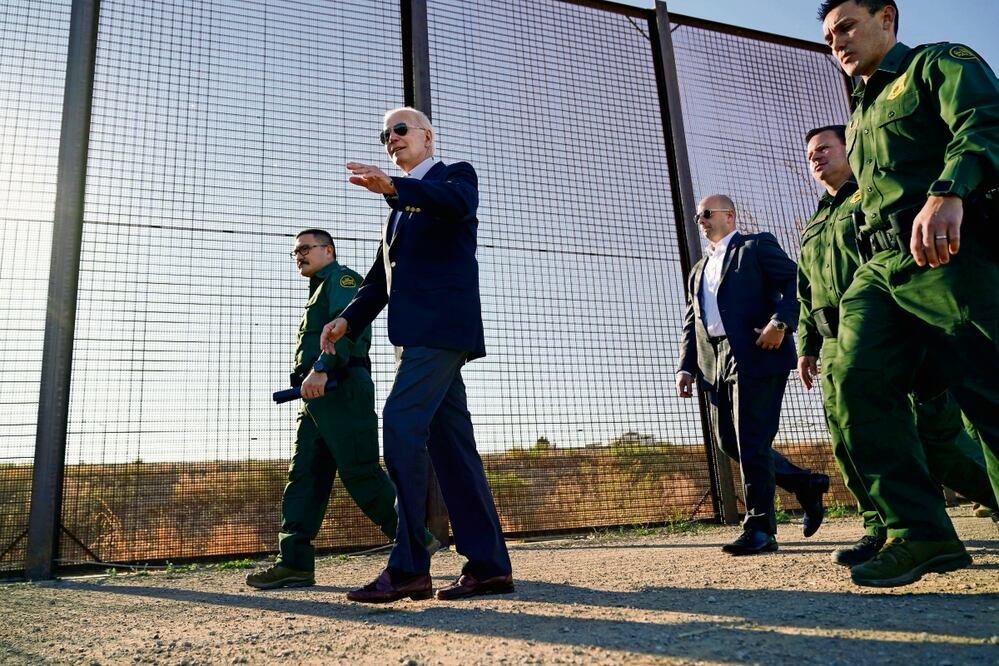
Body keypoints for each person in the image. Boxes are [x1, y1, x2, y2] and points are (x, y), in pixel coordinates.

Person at [819, 0, 999, 587]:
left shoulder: (934, 65)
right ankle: (918, 531)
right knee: (853, 377)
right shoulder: (861, 108)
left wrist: (950, 190)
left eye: (846, 26)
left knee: (987, 389)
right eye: (829, 37)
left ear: (887, 19)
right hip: (883, 267)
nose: (838, 42)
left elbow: (985, 118)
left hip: (948, 252)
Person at [320, 107, 513, 603]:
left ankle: (409, 567)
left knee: (400, 424)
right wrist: (347, 320)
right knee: (454, 449)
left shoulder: (453, 178)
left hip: (442, 332)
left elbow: (454, 203)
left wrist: (393, 189)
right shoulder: (397, 216)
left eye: (400, 130)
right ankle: (489, 565)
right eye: (385, 134)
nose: (391, 139)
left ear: (427, 136)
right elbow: (379, 281)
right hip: (419, 336)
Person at [797, 125, 998, 567]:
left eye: (824, 148)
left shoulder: (870, 201)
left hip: (895, 326)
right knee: (851, 438)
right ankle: (881, 526)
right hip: (838, 337)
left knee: (939, 438)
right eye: (809, 154)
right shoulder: (813, 223)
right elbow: (804, 290)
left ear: (852, 150)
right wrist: (807, 344)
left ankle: (990, 494)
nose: (815, 158)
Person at [246, 229, 435, 590]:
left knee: (360, 472)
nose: (299, 255)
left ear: (328, 251)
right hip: (315, 394)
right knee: (304, 475)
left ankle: (416, 539)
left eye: (305, 248)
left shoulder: (343, 278)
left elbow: (350, 327)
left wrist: (322, 368)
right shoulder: (317, 288)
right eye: (295, 252)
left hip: (339, 384)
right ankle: (294, 563)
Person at [677, 194, 830, 556]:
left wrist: (780, 322)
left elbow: (797, 281)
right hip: (712, 360)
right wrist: (686, 365)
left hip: (758, 351)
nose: (701, 219)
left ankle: (761, 528)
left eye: (707, 213)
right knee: (729, 441)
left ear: (729, 216)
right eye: (698, 214)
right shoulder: (698, 269)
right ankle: (806, 484)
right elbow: (691, 320)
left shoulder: (756, 245)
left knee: (751, 440)